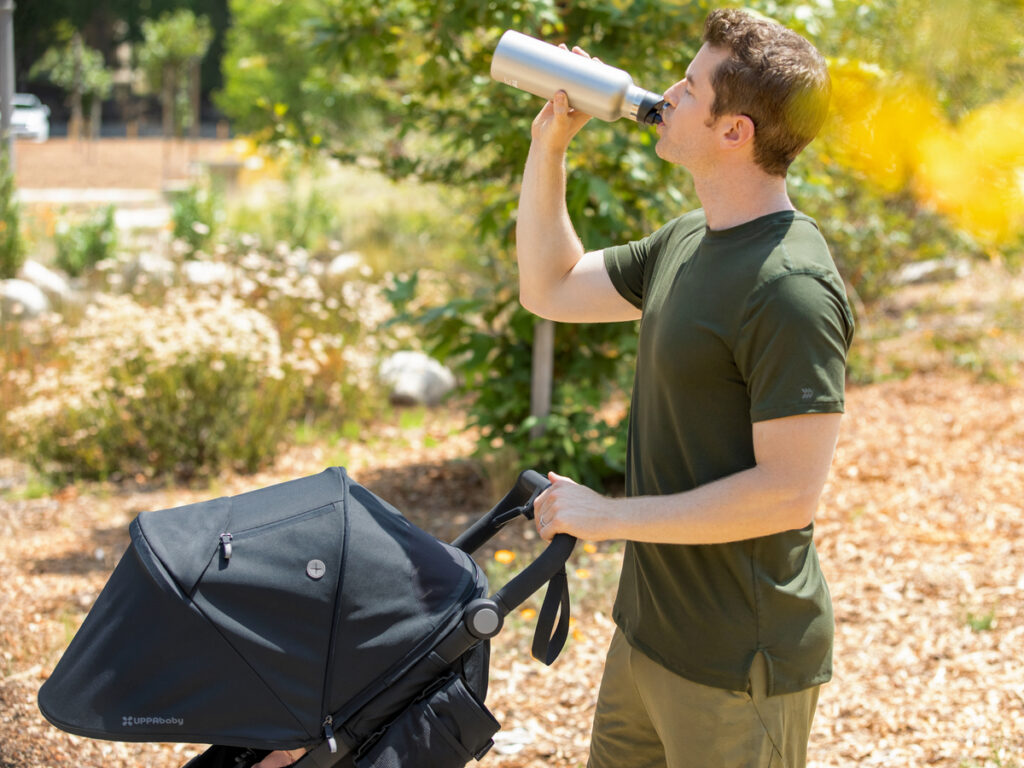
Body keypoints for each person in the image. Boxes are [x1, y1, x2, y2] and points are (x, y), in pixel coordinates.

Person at [520, 8, 853, 768]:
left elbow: (789, 493)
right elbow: (551, 285)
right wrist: (550, 147)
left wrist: (610, 515)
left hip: (740, 665)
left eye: (691, 85)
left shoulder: (790, 287)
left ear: (735, 131)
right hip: (649, 635)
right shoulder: (686, 239)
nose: (665, 93)